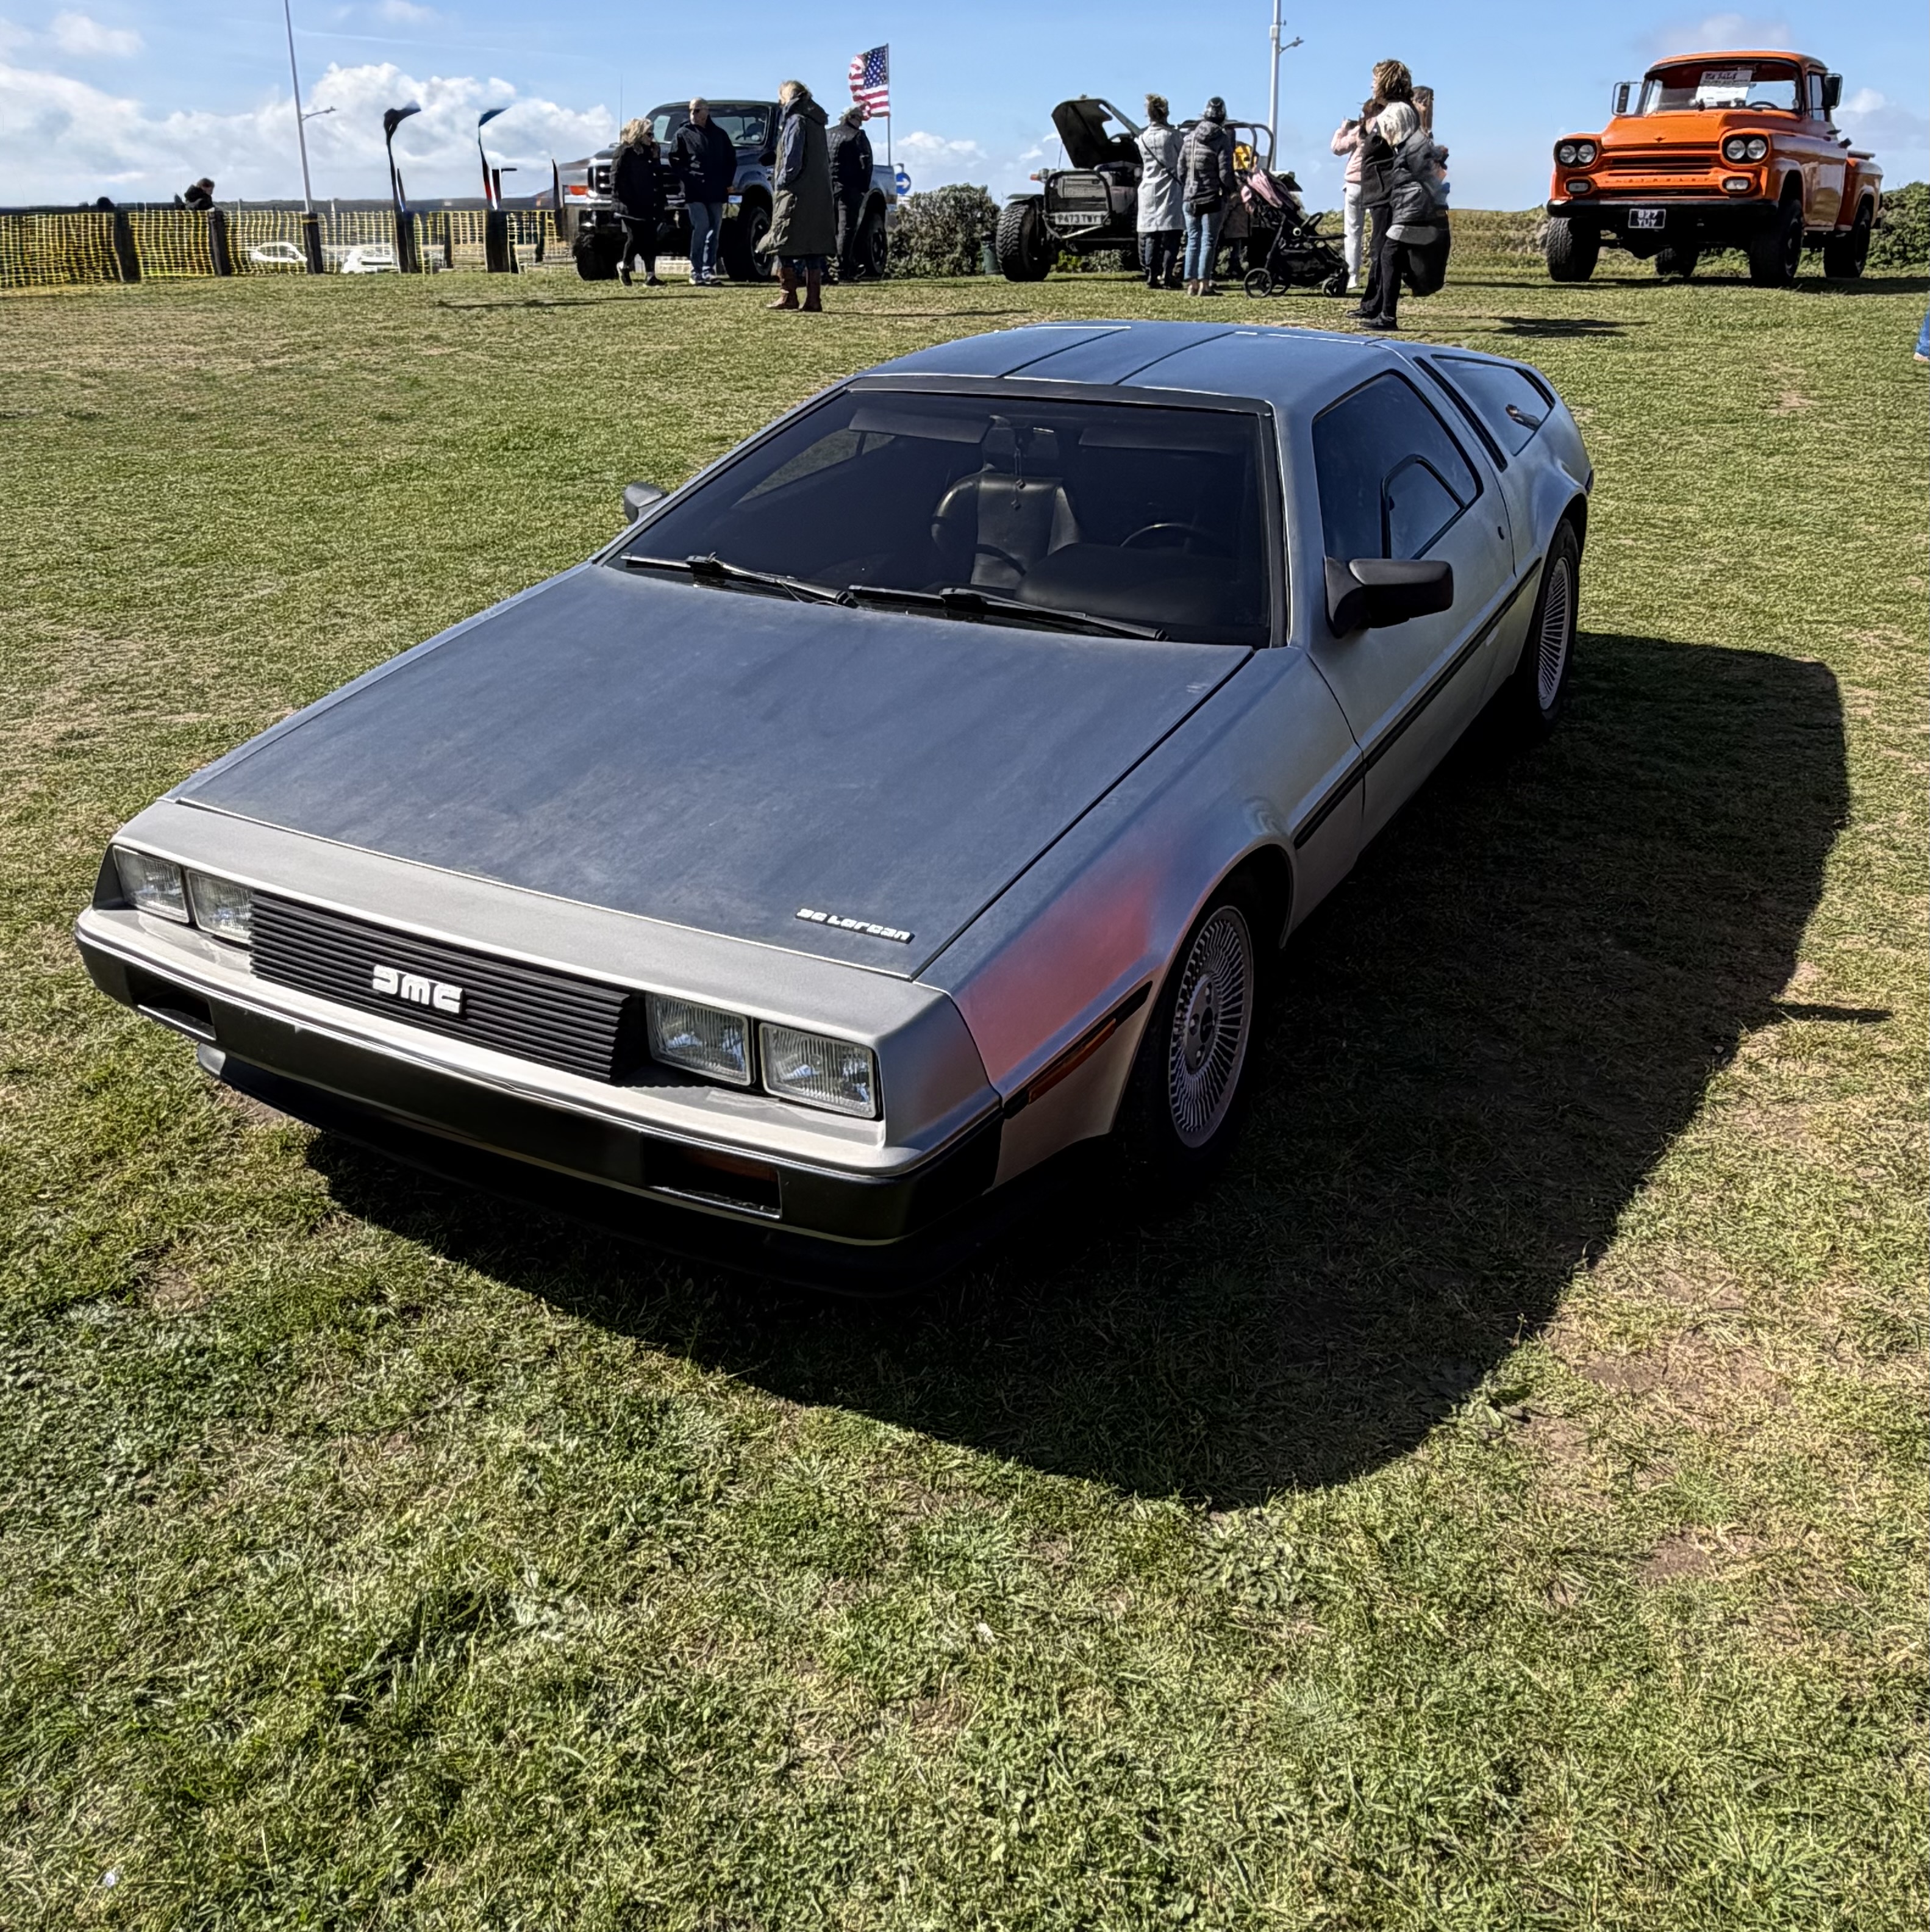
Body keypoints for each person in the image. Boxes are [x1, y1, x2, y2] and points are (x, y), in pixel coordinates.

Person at [1360, 106, 1446, 331]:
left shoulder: (1412, 148)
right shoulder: (1410, 145)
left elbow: (1430, 176)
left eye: (1386, 128)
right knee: (1393, 256)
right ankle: (1388, 313)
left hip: (1413, 211)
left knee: (1389, 255)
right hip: (1411, 209)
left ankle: (1388, 316)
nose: (1384, 134)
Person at [764, 79, 835, 312]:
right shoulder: (816, 121)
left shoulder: (796, 120)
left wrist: (781, 183)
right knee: (812, 245)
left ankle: (789, 295)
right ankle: (813, 299)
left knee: (782, 241)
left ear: (788, 96)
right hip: (818, 192)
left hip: (795, 192)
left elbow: (792, 160)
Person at [1354, 62, 1417, 320]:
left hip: (1390, 191)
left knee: (1387, 250)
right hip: (1381, 191)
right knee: (1379, 248)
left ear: (1388, 81)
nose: (1372, 84)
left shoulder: (1399, 112)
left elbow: (1404, 152)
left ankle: (1385, 310)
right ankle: (1374, 304)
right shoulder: (1392, 111)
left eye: (1375, 79)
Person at [670, 98, 736, 285]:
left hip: (716, 189)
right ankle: (696, 270)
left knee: (715, 228)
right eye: (691, 110)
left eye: (697, 110)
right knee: (702, 225)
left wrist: (727, 182)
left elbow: (731, 160)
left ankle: (709, 270)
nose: (694, 114)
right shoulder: (683, 134)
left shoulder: (720, 135)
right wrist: (688, 177)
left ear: (707, 111)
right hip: (694, 190)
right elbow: (675, 160)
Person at [1179, 96, 1235, 296]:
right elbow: (1225, 172)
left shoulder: (1190, 138)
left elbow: (1181, 169)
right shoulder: (1222, 139)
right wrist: (1230, 190)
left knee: (1193, 238)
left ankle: (1192, 284)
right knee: (1209, 240)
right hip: (1212, 197)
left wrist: (1187, 187)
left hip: (1190, 196)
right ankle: (1205, 284)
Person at [1330, 99, 1380, 291]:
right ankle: (1379, 272)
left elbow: (1337, 148)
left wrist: (1343, 129)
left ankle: (1353, 276)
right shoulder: (1385, 130)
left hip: (1354, 184)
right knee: (1379, 230)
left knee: (1353, 232)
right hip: (1376, 183)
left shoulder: (1359, 130)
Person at [1135, 95, 1184, 290]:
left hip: (1148, 187)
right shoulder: (1172, 136)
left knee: (1151, 235)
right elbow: (1181, 159)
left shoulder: (1142, 138)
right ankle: (1168, 275)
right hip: (1170, 186)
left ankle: (1151, 275)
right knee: (1172, 233)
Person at [611, 118, 665, 287]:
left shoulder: (652, 151)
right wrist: (623, 198)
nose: (652, 138)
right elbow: (616, 177)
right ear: (639, 134)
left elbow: (657, 177)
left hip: (650, 202)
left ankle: (650, 275)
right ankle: (625, 265)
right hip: (630, 204)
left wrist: (661, 198)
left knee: (651, 237)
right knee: (635, 237)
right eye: (648, 134)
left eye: (653, 134)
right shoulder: (625, 151)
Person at [827, 105, 874, 281]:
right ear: (851, 118)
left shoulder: (827, 134)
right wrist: (864, 188)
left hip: (828, 186)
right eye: (859, 119)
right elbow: (867, 164)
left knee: (829, 228)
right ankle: (842, 269)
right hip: (850, 187)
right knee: (846, 228)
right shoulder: (857, 136)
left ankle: (828, 267)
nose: (861, 123)